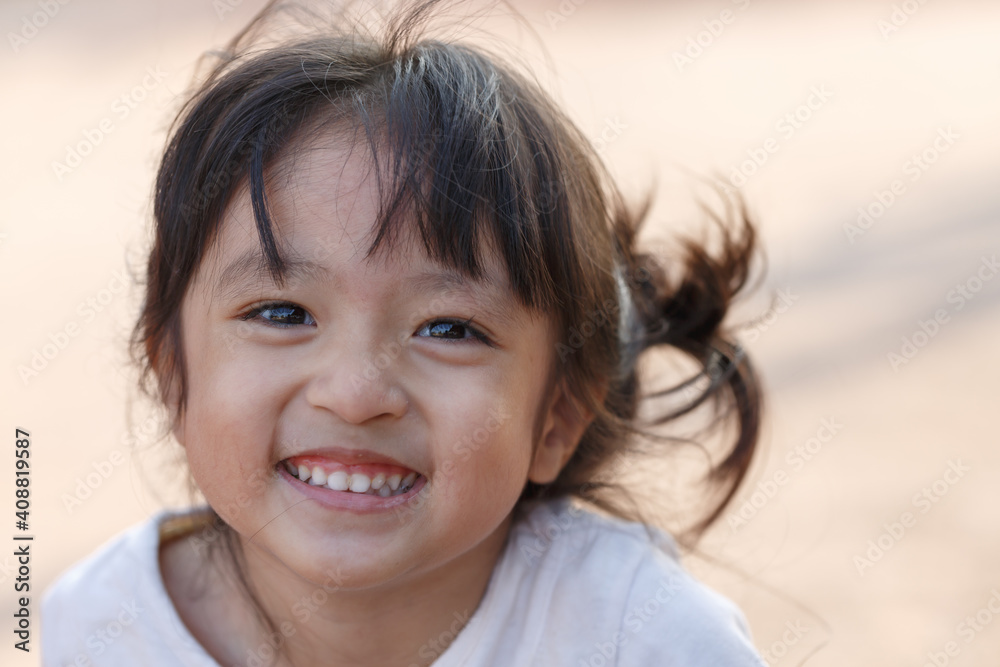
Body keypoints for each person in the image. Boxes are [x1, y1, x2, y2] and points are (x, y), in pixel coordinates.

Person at [42, 1, 766, 664]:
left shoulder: (639, 637)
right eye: (283, 313)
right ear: (172, 373)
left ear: (557, 418)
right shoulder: (102, 623)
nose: (357, 393)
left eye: (449, 328)